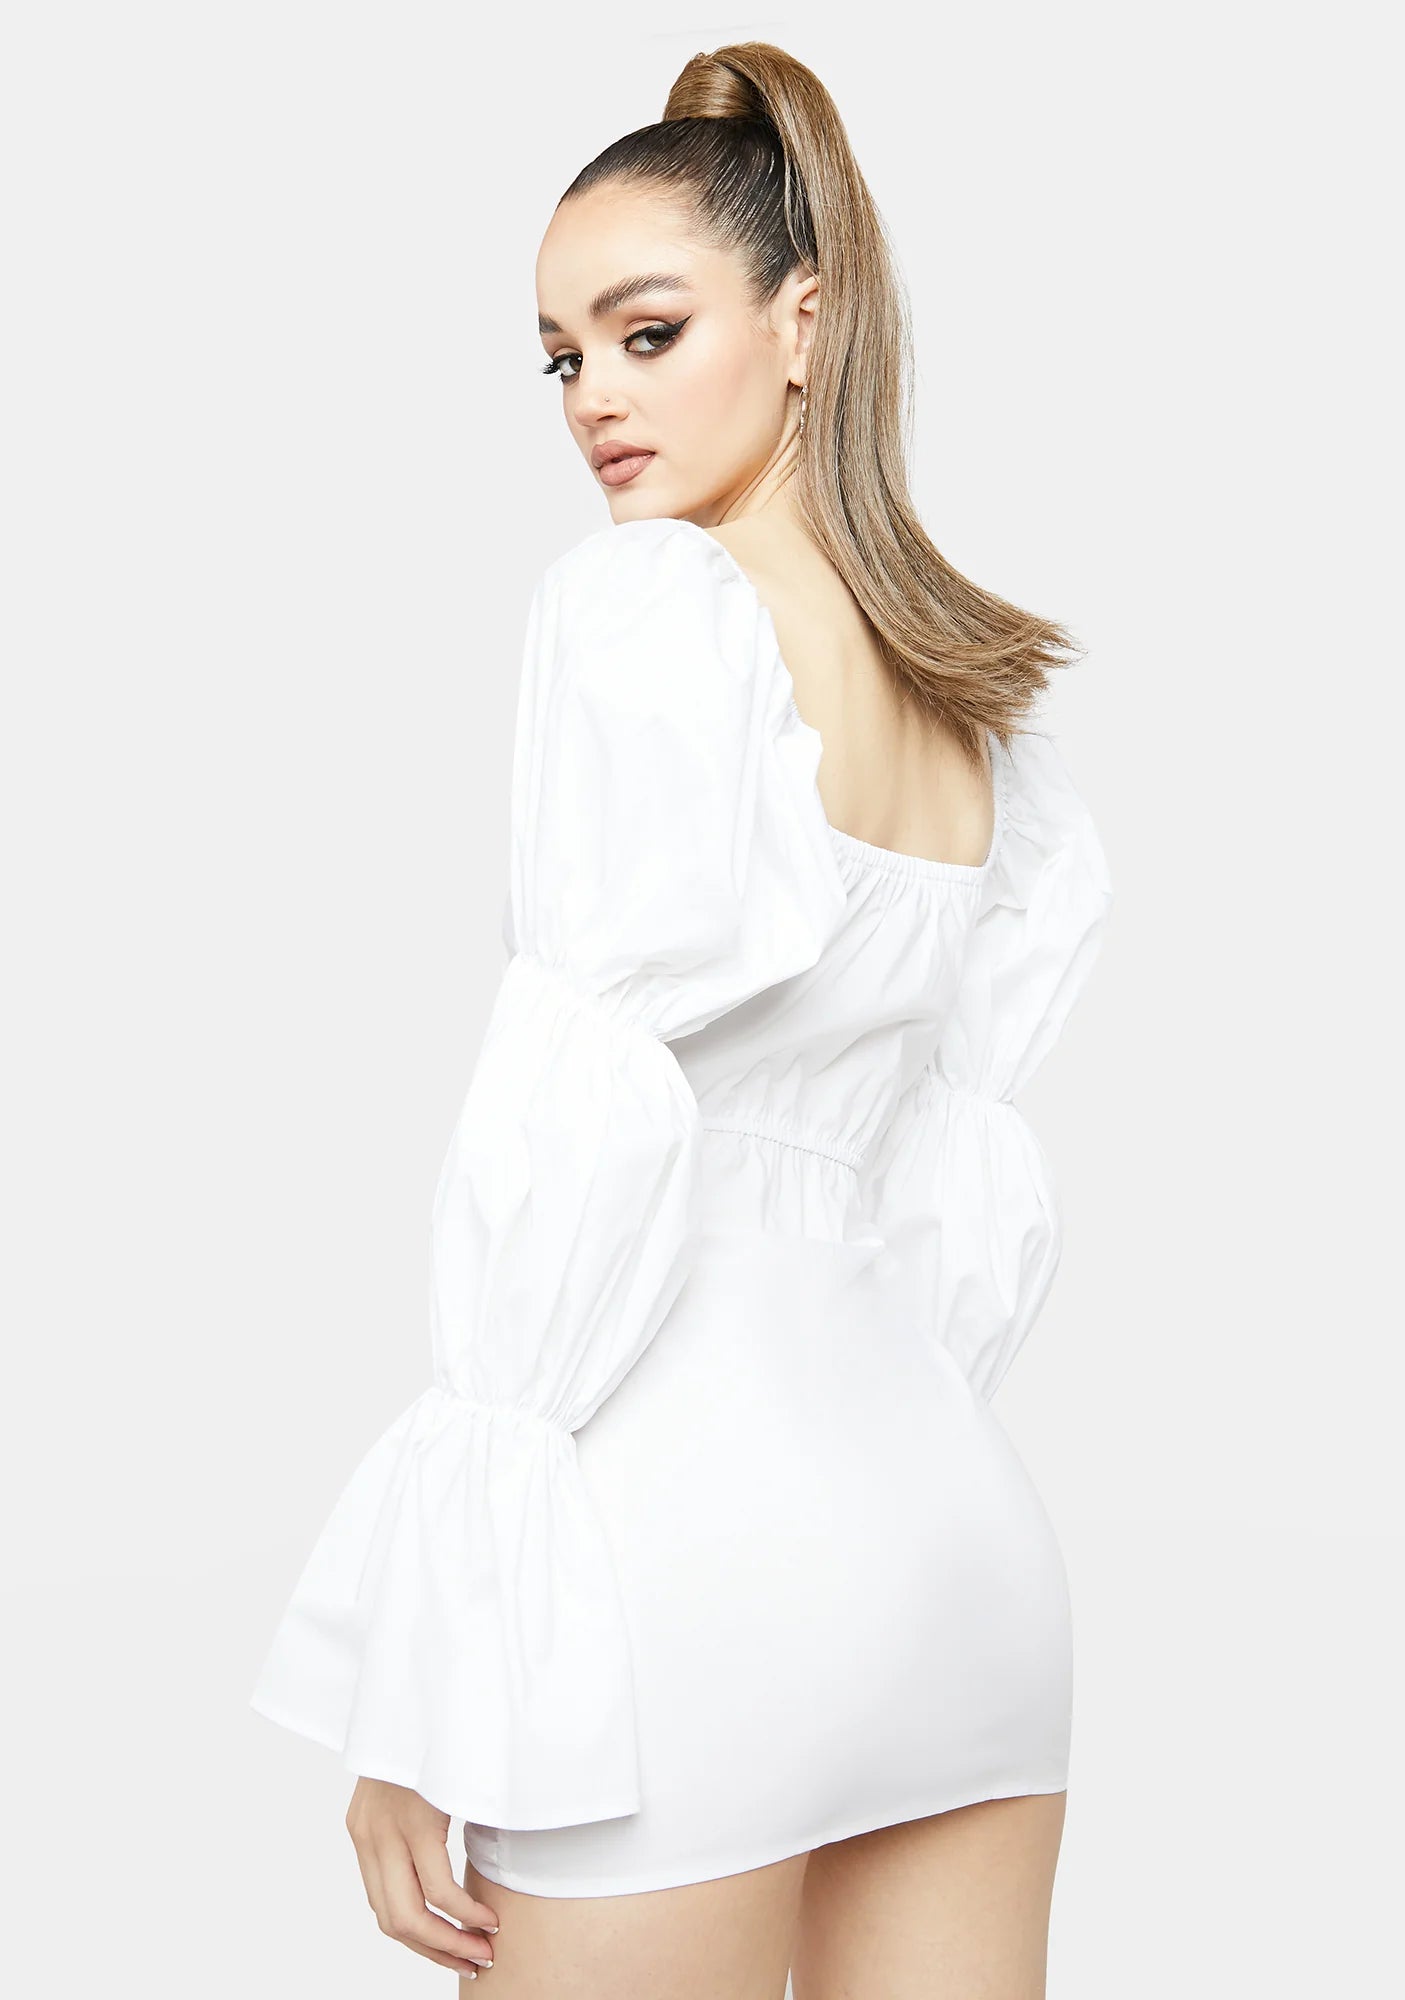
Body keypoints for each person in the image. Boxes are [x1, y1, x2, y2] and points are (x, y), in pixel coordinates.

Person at [249, 39, 1114, 1999]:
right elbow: (949, 1203)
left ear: (804, 322)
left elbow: (574, 1126)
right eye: (561, 358)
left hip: (680, 1578)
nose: (594, 399)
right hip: (953, 1562)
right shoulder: (970, 705)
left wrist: (432, 1672)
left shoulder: (647, 609)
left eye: (646, 334)